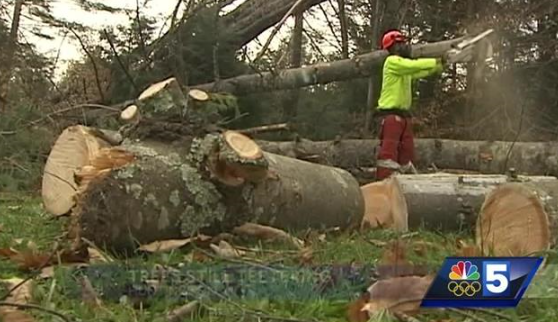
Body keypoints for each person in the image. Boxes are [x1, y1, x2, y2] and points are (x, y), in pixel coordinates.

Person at [375, 29, 448, 180]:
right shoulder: (393, 62)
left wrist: (440, 66)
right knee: (389, 152)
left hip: (403, 116)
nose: (406, 46)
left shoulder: (402, 68)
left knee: (406, 152)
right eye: (401, 43)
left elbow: (420, 72)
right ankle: (385, 181)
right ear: (393, 46)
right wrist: (436, 61)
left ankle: (406, 180)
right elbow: (413, 66)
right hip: (391, 115)